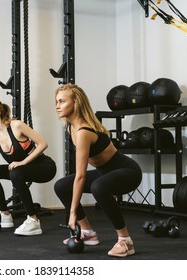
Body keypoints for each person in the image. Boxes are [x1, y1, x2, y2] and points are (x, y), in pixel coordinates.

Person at [54, 83, 142, 257]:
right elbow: (77, 177)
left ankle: (125, 241)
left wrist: (72, 214)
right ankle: (87, 233)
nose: (57, 106)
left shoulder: (84, 131)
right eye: (56, 101)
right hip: (105, 173)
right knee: (62, 186)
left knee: (98, 187)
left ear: (76, 103)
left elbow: (81, 176)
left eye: (62, 101)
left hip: (128, 172)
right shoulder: (71, 127)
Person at [0, 98, 57, 236]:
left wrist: (23, 162)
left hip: (45, 167)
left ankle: (33, 220)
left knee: (15, 172)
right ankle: (4, 214)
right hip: (21, 171)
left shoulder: (16, 126)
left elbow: (43, 143)